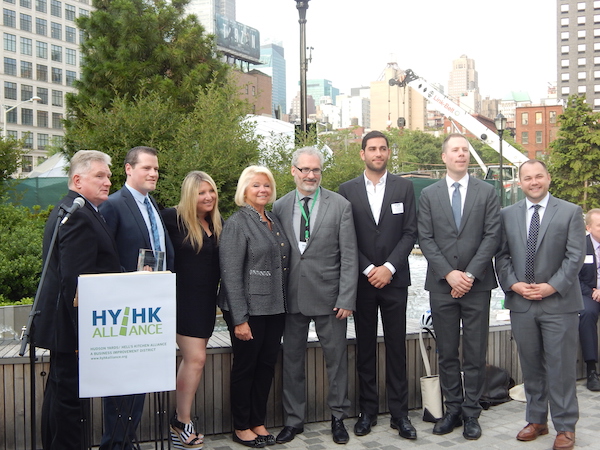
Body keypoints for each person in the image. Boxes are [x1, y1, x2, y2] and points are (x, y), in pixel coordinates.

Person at [33, 150, 121, 450]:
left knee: (60, 394)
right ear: (77, 179)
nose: (107, 181)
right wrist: (81, 337)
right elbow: (76, 280)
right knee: (68, 400)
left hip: (65, 326)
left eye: (108, 175)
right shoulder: (78, 215)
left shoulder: (75, 209)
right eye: (100, 175)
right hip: (71, 328)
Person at [496, 159, 585, 450]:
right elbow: (502, 256)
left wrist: (551, 286)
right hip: (522, 303)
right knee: (531, 366)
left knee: (561, 368)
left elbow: (574, 257)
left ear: (548, 178)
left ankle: (565, 426)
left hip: (559, 303)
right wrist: (514, 284)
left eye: (539, 177)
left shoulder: (570, 212)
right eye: (527, 178)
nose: (533, 182)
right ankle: (537, 420)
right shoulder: (507, 214)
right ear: (519, 182)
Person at [273, 147, 358, 445]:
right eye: (305, 169)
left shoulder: (341, 205)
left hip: (331, 299)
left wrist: (347, 298)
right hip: (292, 298)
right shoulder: (279, 206)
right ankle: (294, 421)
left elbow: (349, 256)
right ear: (293, 171)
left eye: (316, 170)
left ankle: (338, 418)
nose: (311, 175)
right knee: (292, 362)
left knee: (336, 362)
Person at [417, 133, 500, 441]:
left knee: (476, 352)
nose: (462, 154)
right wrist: (450, 274)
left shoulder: (487, 192)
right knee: (447, 351)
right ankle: (452, 410)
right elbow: (425, 238)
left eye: (465, 150)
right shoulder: (429, 194)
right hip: (441, 286)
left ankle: (471, 412)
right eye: (455, 150)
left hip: (477, 286)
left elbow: (492, 236)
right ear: (444, 157)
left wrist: (468, 275)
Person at [338, 130, 418, 440]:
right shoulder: (347, 190)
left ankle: (400, 414)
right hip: (363, 281)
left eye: (383, 148)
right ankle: (367, 411)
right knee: (365, 348)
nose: (378, 153)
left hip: (395, 281)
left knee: (397, 347)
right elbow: (346, 238)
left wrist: (389, 267)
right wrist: (371, 268)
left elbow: (410, 232)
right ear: (362, 154)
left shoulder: (405, 187)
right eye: (372, 149)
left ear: (388, 153)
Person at [98, 146, 175, 450]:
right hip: (124, 310)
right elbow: (102, 257)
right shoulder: (113, 205)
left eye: (156, 169)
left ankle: (128, 441)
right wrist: (131, 273)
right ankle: (114, 444)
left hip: (152, 307)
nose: (153, 174)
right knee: (121, 384)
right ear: (129, 170)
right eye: (147, 168)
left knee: (141, 381)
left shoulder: (151, 204)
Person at [219, 165, 290, 448]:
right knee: (246, 367)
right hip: (247, 308)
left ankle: (257, 421)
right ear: (244, 190)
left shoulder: (272, 219)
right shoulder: (237, 222)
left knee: (266, 366)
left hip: (275, 306)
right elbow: (230, 273)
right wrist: (239, 319)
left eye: (266, 185)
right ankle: (241, 425)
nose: (262, 190)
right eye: (256, 185)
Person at [161, 171, 222, 448]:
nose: (208, 197)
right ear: (189, 194)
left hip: (206, 301)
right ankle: (182, 421)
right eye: (201, 193)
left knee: (195, 360)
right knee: (195, 359)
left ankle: (180, 420)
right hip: (181, 300)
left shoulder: (215, 221)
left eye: (211, 191)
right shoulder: (171, 219)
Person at [577, 209, 600, 392]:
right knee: (586, 313)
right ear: (589, 227)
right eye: (599, 226)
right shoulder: (580, 247)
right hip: (588, 293)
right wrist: (592, 292)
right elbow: (573, 277)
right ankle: (591, 369)